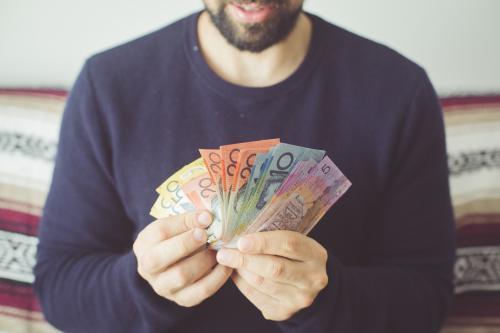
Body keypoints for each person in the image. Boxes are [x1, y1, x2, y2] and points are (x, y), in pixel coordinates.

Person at [34, 0, 456, 332]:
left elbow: (426, 302)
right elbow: (59, 289)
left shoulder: (399, 91)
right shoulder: (107, 85)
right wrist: (146, 286)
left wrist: (324, 299)